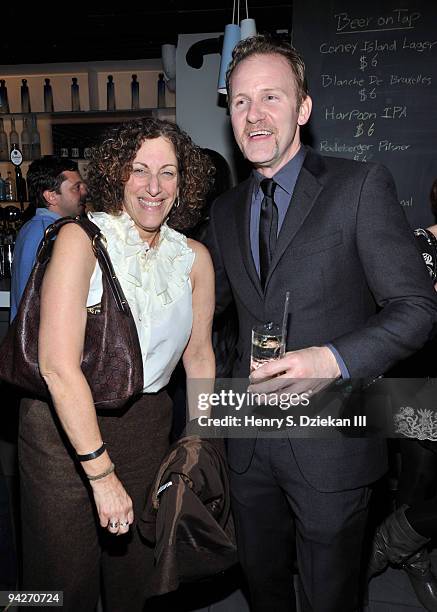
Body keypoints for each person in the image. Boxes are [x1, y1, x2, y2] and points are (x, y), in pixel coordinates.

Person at [205, 34, 437, 612]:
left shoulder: (358, 186)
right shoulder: (225, 208)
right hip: (248, 441)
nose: (254, 115)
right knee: (264, 591)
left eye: (271, 98)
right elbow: (208, 307)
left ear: (303, 109)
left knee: (331, 596)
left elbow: (417, 310)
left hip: (333, 438)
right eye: (239, 101)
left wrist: (328, 359)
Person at [19, 117, 215, 611]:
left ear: (183, 182)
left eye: (168, 172)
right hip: (63, 432)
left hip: (148, 427)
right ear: (116, 175)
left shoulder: (194, 259)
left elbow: (199, 354)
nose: (153, 186)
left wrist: (201, 440)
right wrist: (102, 476)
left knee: (137, 578)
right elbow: (58, 367)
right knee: (59, 583)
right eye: (139, 169)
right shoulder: (80, 240)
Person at [367, 178, 437, 611]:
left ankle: (398, 542)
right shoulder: (415, 246)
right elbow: (407, 328)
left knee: (420, 479)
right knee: (422, 464)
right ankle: (406, 548)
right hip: (409, 383)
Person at [10, 155, 87, 321]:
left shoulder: (31, 226)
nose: (84, 192)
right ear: (51, 196)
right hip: (39, 340)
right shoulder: (53, 234)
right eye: (76, 187)